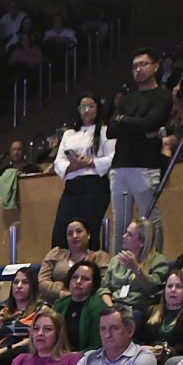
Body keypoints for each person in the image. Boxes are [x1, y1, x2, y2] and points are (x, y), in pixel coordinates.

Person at [109, 50, 171, 252]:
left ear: (155, 66)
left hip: (145, 164)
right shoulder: (127, 99)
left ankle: (155, 263)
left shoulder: (162, 95)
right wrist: (139, 126)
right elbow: (110, 130)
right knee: (120, 224)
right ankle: (118, 269)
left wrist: (124, 121)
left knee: (150, 220)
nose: (138, 69)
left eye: (143, 64)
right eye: (135, 66)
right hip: (119, 166)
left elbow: (151, 122)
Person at [50, 95, 114, 250]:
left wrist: (91, 163)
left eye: (91, 106)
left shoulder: (106, 131)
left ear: (98, 109)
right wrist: (76, 166)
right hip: (73, 184)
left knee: (89, 228)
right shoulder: (69, 134)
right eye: (83, 107)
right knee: (61, 229)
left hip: (95, 185)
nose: (86, 111)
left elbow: (112, 157)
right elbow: (59, 161)